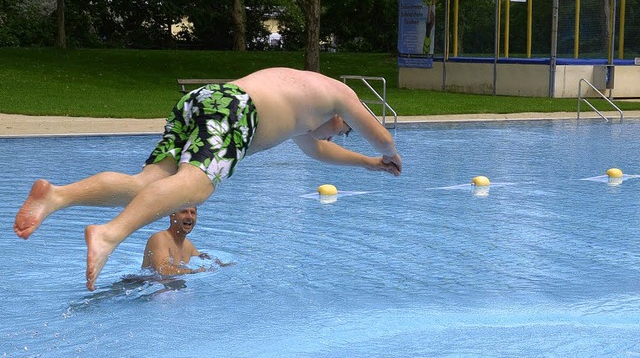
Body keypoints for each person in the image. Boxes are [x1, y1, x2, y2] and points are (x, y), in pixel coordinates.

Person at [14, 67, 402, 291]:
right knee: (196, 186)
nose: (334, 136)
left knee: (148, 183)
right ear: (344, 119)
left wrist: (369, 164)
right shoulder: (339, 95)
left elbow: (317, 150)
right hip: (236, 111)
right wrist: (391, 155)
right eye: (342, 132)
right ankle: (109, 235)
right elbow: (381, 134)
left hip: (202, 99)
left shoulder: (303, 101)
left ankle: (57, 196)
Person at [141, 206, 229, 276]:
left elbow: (201, 256)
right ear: (172, 215)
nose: (189, 216)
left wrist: (220, 264)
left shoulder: (188, 245)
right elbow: (163, 270)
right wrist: (195, 271)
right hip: (147, 284)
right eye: (184, 212)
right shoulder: (160, 238)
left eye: (193, 213)